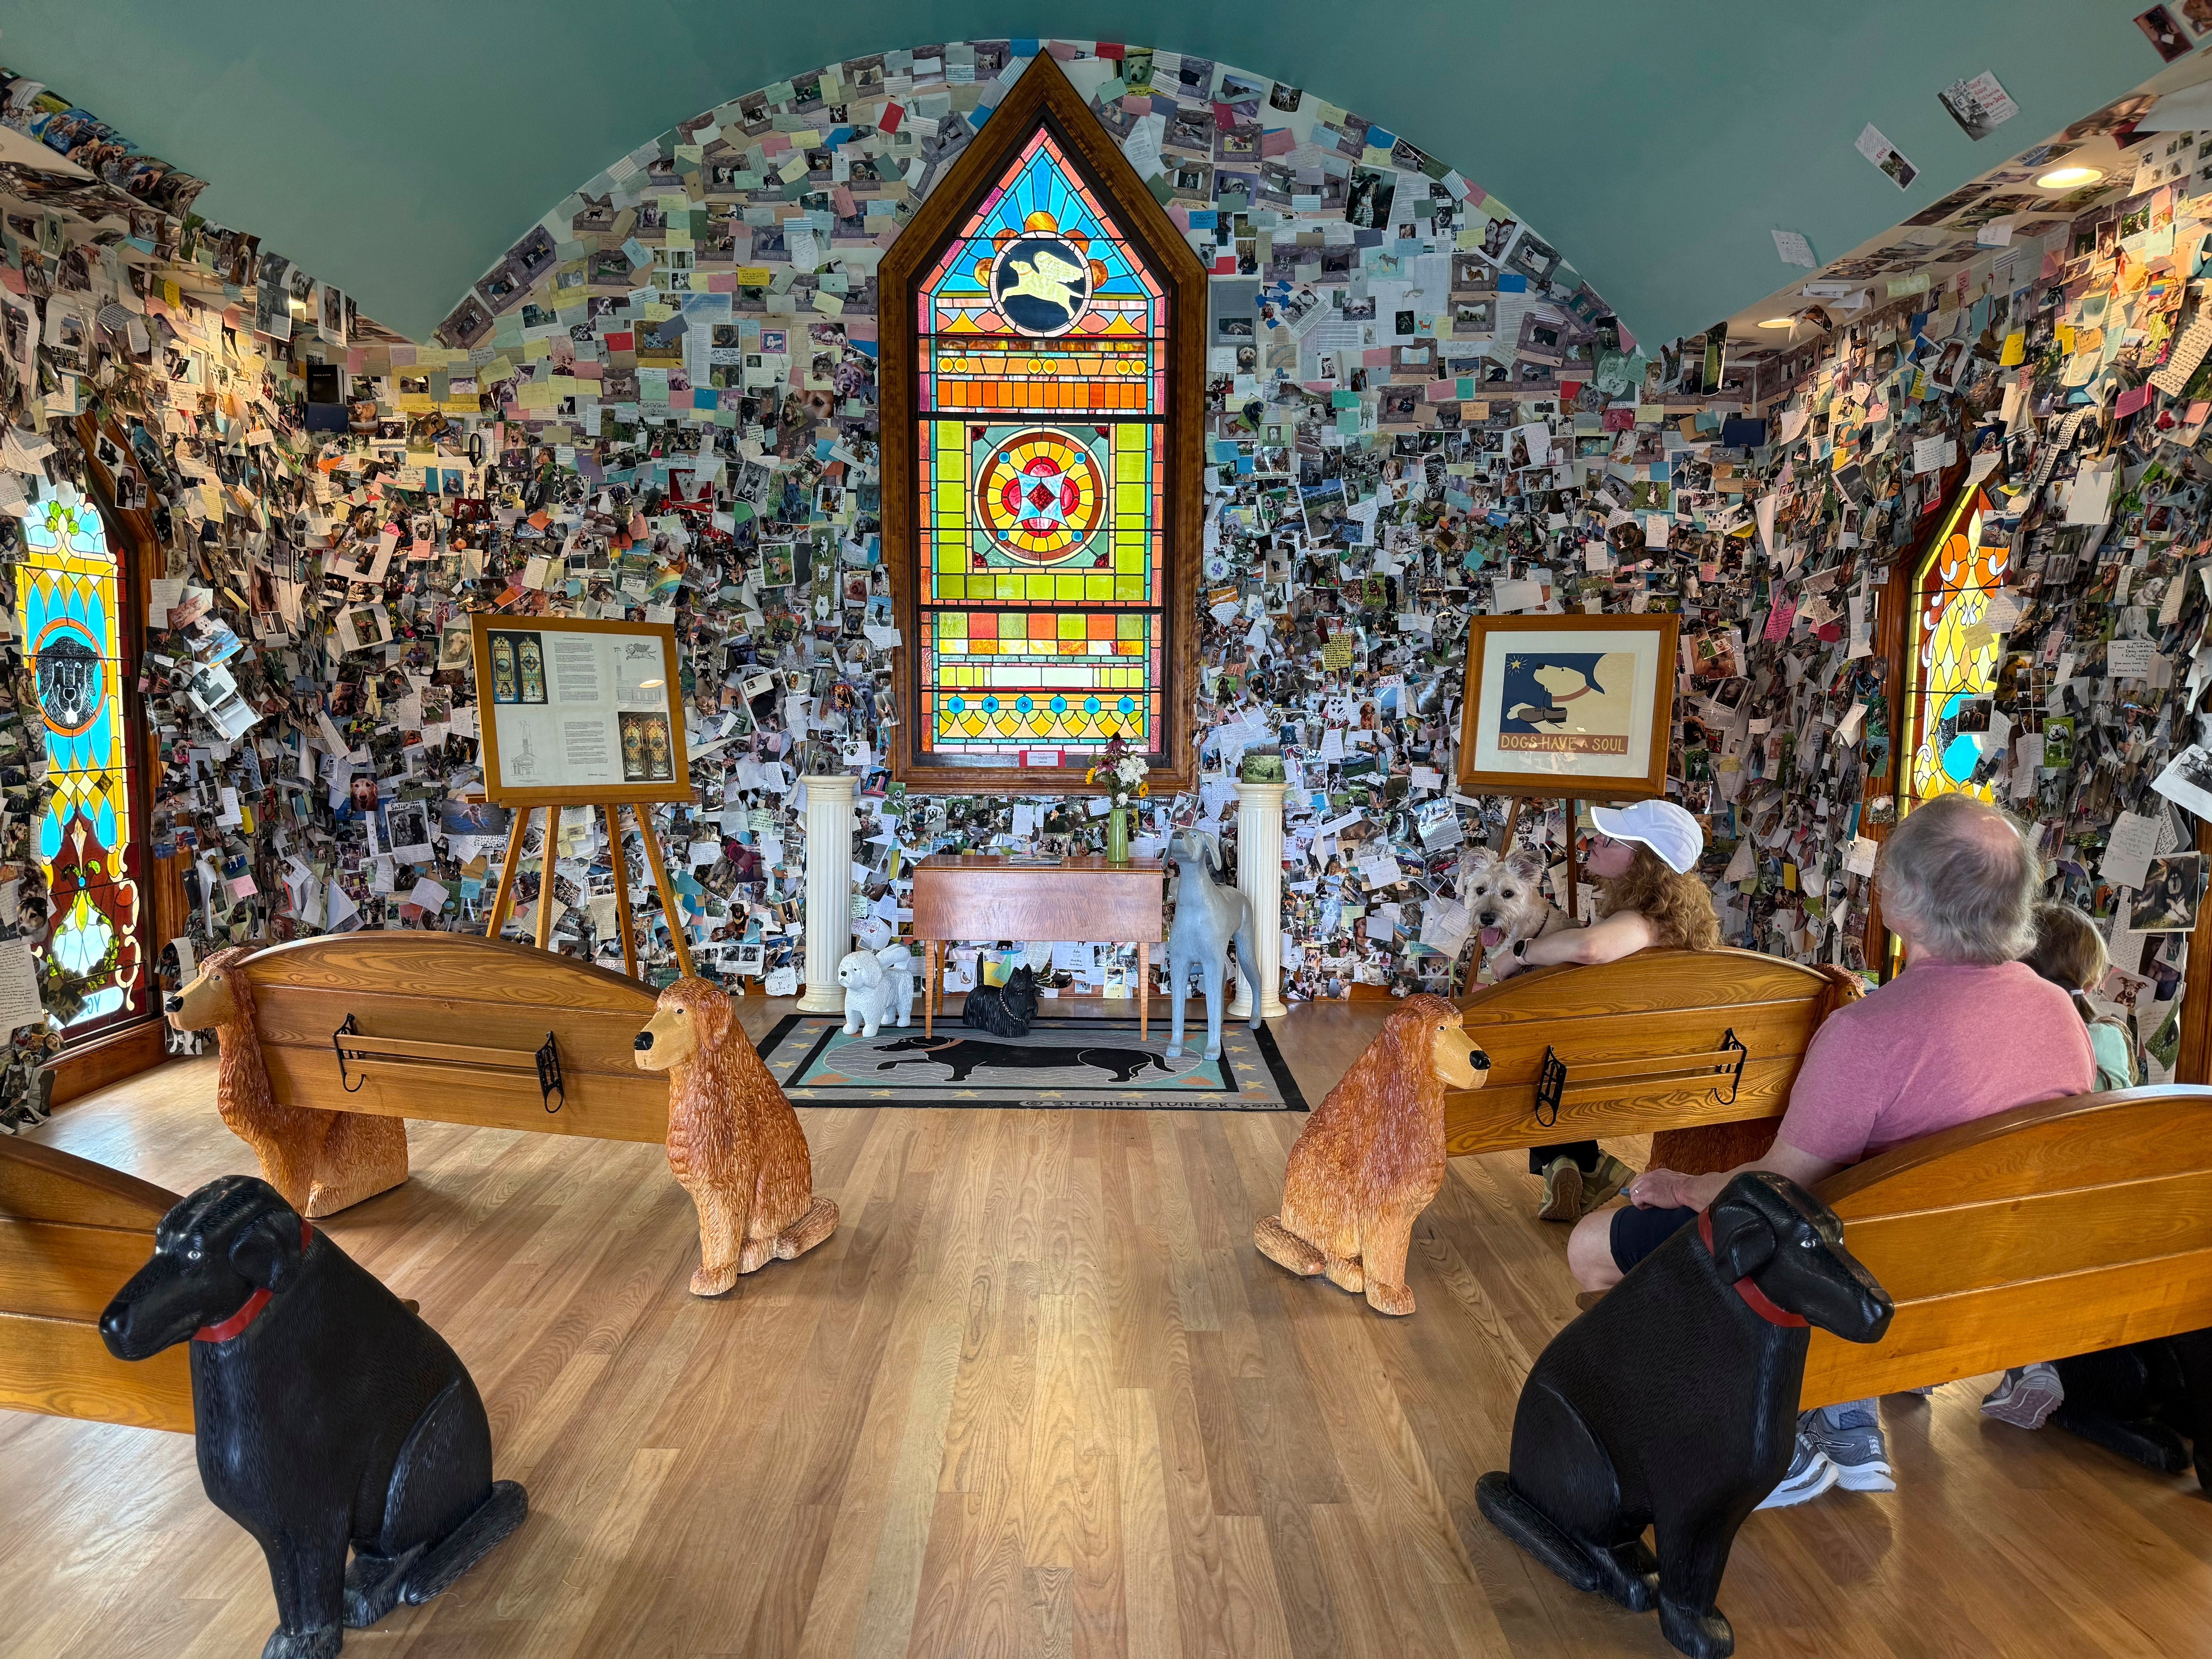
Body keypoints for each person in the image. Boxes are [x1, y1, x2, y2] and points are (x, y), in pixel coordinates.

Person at [1567, 794, 2093, 1505]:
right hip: (1984, 1272)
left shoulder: (1867, 1034)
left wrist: (1682, 1183)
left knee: (1591, 1245)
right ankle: (1838, 1414)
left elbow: (1772, 1186)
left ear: (1900, 902)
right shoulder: (2059, 1013)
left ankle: (1767, 1432)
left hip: (1864, 1279)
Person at [1498, 799, 1719, 1222]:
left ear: (1646, 860)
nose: (1593, 840)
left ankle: (1582, 1162)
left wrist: (1522, 953)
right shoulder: (1673, 912)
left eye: (1609, 838)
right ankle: (1587, 1164)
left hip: (1633, 1061)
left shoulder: (1649, 917)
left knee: (1536, 1051)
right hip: (1652, 1046)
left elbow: (1591, 948)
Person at [1977, 903, 2136, 1431]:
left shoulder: (2007, 1029)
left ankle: (2020, 1364)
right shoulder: (2111, 1033)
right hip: (2103, 1198)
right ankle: (2030, 1367)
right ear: (2091, 974)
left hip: (2022, 1195)